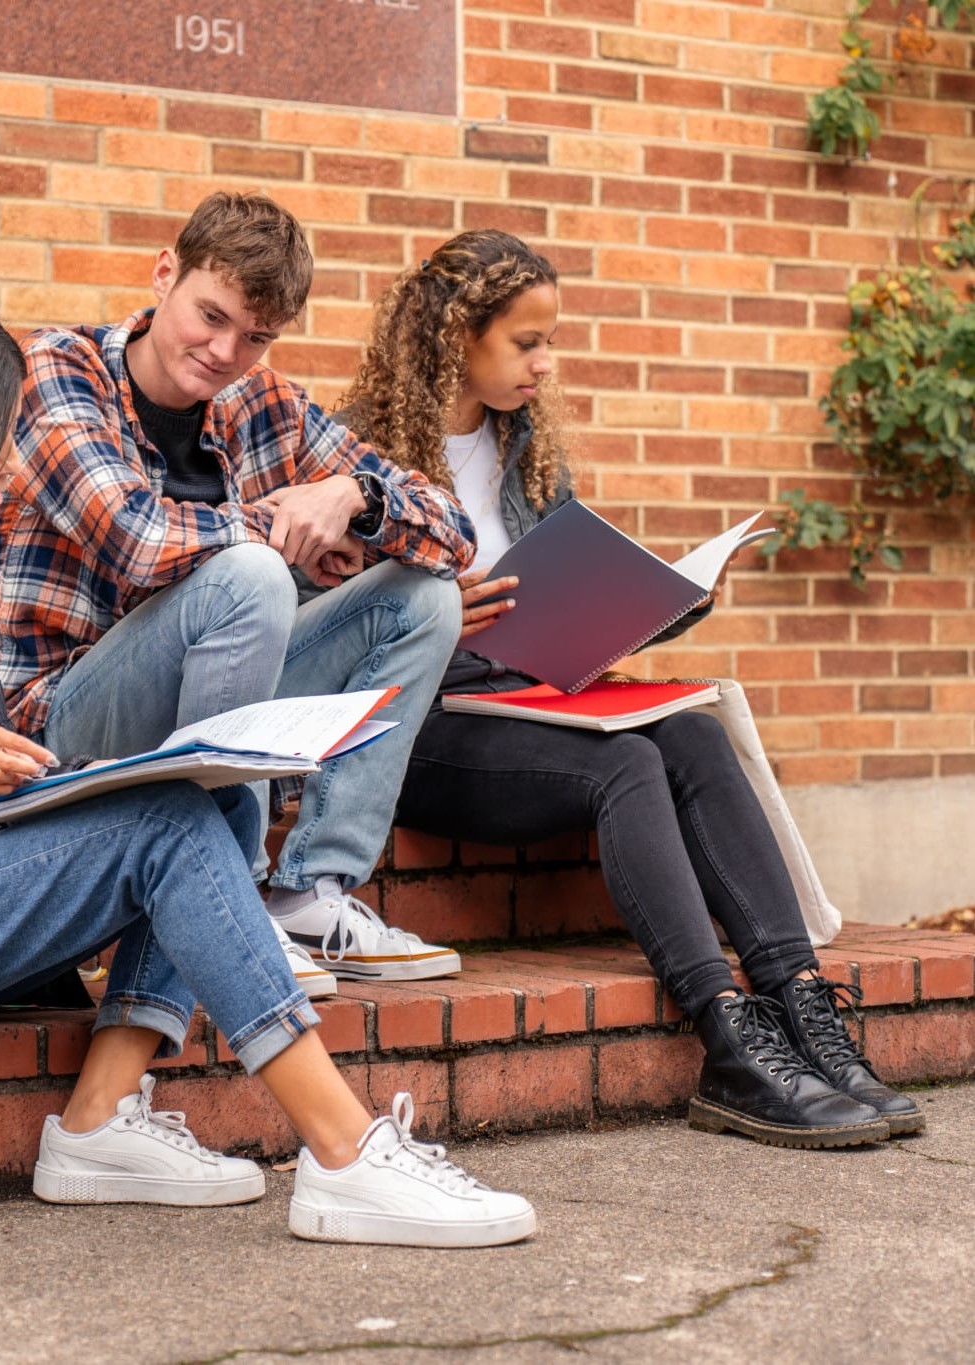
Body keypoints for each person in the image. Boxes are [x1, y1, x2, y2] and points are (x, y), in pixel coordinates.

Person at [0, 290, 536, 1248]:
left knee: (194, 791)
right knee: (171, 827)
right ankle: (342, 1151)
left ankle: (98, 1123)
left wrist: (59, 785)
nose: (9, 460)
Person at [337, 229, 922, 1149]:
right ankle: (726, 1037)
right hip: (425, 726)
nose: (544, 362)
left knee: (690, 736)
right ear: (458, 334)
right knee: (628, 767)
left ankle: (805, 1011)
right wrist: (436, 609)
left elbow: (566, 593)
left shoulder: (525, 447)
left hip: (528, 701)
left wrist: (663, 599)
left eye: (548, 340)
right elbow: (324, 621)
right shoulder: (357, 451)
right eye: (526, 342)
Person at [0, 192, 471, 995]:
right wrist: (280, 533)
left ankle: (308, 894)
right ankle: (226, 900)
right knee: (247, 576)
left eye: (255, 336)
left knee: (422, 598)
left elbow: (452, 533)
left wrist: (351, 498)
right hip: (58, 720)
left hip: (202, 706)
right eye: (209, 316)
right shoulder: (58, 367)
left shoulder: (262, 401)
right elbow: (133, 539)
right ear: (165, 272)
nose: (223, 350)